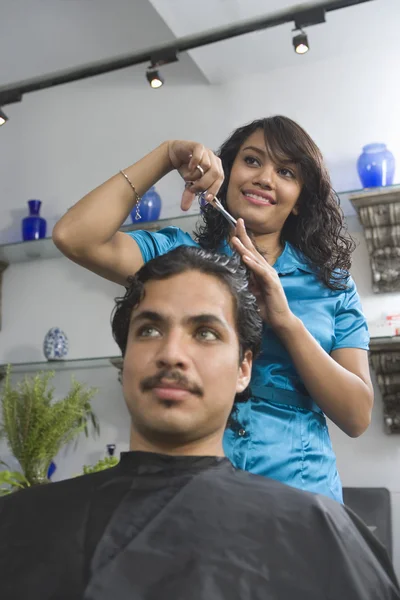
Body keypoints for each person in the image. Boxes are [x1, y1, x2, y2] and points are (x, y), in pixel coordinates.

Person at [0, 247, 397, 600]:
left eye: (205, 333)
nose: (171, 353)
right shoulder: (18, 526)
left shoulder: (325, 536)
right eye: (149, 330)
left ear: (244, 368)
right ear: (126, 360)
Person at [52, 115, 374, 503]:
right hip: (188, 493)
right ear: (227, 174)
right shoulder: (179, 258)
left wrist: (286, 323)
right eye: (252, 161)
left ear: (301, 201)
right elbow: (75, 236)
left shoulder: (332, 287)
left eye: (285, 171)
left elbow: (356, 415)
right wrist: (168, 154)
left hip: (299, 498)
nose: (264, 178)